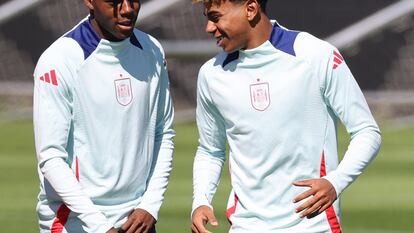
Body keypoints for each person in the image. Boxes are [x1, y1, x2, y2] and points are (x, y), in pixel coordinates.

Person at [191, 0, 381, 232]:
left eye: (215, 17)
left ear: (251, 9)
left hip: (313, 225)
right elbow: (211, 149)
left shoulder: (315, 54)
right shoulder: (211, 75)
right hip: (246, 226)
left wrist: (335, 182)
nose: (209, 28)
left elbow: (366, 131)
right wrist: (200, 200)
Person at [33, 0, 175, 232]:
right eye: (114, 1)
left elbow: (164, 132)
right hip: (76, 223)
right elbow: (51, 158)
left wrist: (150, 205)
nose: (128, 9)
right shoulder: (60, 59)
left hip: (136, 221)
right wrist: (100, 226)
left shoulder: (152, 50)